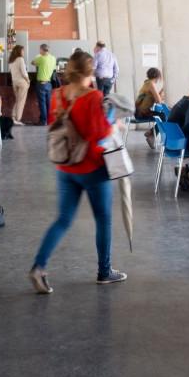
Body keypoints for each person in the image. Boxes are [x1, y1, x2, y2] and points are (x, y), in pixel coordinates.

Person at [30, 52, 125, 294]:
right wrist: (115, 124)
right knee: (103, 220)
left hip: (65, 166)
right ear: (90, 73)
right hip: (92, 167)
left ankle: (39, 267)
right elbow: (99, 134)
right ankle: (105, 272)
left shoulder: (57, 95)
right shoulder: (93, 96)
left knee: (63, 220)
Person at [136, 68, 166, 148]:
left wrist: (163, 90)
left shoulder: (147, 83)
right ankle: (152, 134)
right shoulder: (151, 84)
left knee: (162, 115)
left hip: (140, 111)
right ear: (157, 76)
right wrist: (163, 91)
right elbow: (159, 100)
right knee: (164, 116)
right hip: (141, 113)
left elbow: (156, 99)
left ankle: (151, 133)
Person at [32, 44, 58, 125]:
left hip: (41, 84)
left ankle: (43, 121)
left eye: (40, 50)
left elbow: (32, 63)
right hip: (49, 84)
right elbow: (54, 68)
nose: (39, 51)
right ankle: (49, 120)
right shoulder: (53, 58)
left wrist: (37, 56)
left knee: (42, 103)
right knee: (48, 103)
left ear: (42, 50)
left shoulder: (41, 58)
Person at [8, 45, 29, 125]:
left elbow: (11, 72)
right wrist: (28, 80)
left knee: (17, 100)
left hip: (14, 82)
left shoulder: (11, 60)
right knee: (21, 101)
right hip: (22, 82)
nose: (24, 52)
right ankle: (18, 119)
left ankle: (13, 117)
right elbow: (24, 73)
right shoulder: (20, 59)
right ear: (19, 51)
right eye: (23, 51)